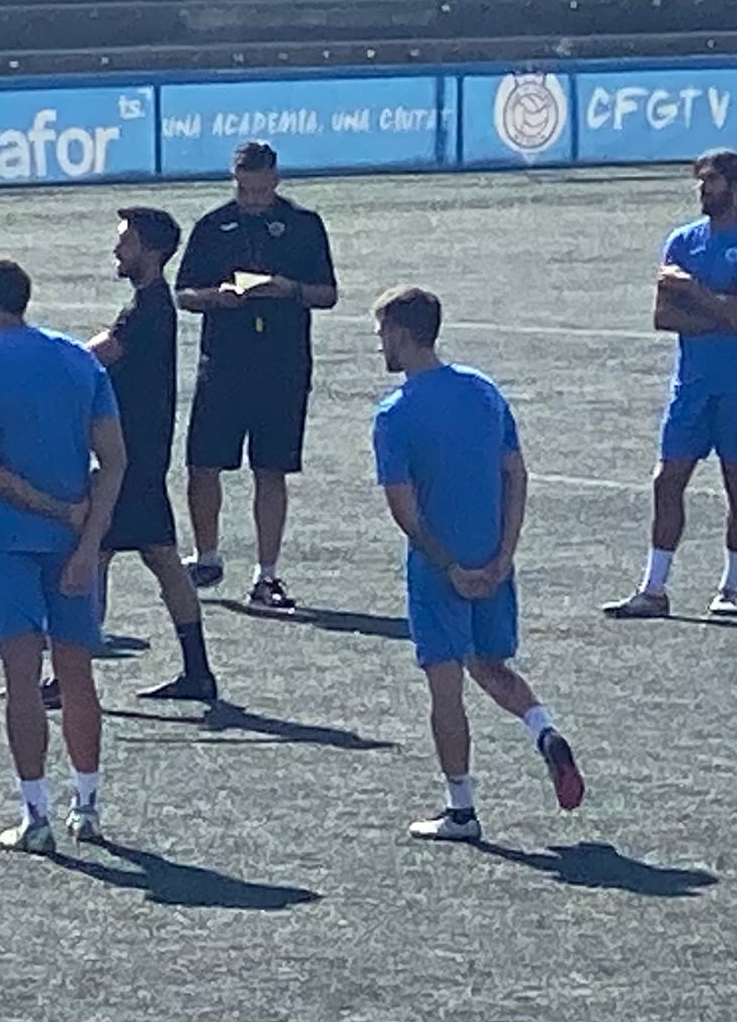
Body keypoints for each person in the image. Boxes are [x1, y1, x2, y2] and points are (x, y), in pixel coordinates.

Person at [372, 286, 586, 842]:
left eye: (381, 334)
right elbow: (516, 473)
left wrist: (449, 569)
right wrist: (503, 556)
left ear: (400, 332)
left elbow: (406, 511)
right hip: (494, 559)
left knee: (447, 692)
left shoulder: (394, 414)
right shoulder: (484, 391)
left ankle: (461, 809)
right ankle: (544, 731)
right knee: (491, 666)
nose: (379, 346)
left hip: (440, 572)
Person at [0, 257, 124, 855]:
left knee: (22, 681)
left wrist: (56, 511)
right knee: (78, 677)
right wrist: (88, 537)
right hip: (72, 546)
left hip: (8, 544)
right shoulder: (78, 358)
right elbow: (115, 460)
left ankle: (35, 814)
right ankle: (89, 805)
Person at [610, 148, 737, 620]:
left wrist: (693, 292)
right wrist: (716, 306)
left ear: (736, 188)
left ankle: (730, 588)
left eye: (711, 180)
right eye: (701, 180)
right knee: (667, 480)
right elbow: (663, 317)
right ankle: (654, 588)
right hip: (691, 382)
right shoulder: (682, 241)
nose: (702, 188)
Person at [177, 141, 339, 612]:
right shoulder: (212, 225)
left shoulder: (304, 225)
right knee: (203, 465)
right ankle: (206, 556)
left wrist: (288, 290)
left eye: (259, 189)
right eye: (243, 189)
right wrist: (216, 297)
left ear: (276, 180)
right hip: (222, 363)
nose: (251, 198)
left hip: (283, 365)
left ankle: (266, 574)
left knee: (271, 470)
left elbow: (327, 294)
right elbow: (184, 292)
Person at [88, 205, 220, 705]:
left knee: (93, 553)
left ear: (152, 250)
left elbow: (93, 356)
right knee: (162, 558)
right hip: (143, 456)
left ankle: (68, 675)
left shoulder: (147, 309)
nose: (117, 249)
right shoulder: (148, 304)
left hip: (129, 459)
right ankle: (198, 671)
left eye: (125, 241)